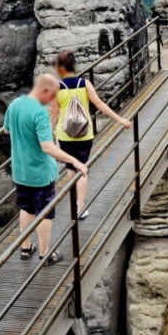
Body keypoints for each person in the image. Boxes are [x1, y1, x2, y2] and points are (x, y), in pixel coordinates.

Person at [4, 74, 88, 264]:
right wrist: (74, 161)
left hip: (20, 169)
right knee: (45, 212)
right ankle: (45, 253)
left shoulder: (15, 104)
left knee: (26, 207)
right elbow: (47, 147)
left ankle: (25, 248)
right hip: (40, 171)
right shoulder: (40, 112)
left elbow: (7, 130)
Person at [53, 51, 132, 219]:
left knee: (70, 167)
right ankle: (80, 208)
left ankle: (73, 203)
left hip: (65, 134)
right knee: (81, 167)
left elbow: (53, 115)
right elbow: (100, 105)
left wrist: (49, 138)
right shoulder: (84, 83)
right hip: (83, 133)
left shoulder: (57, 87)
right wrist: (121, 120)